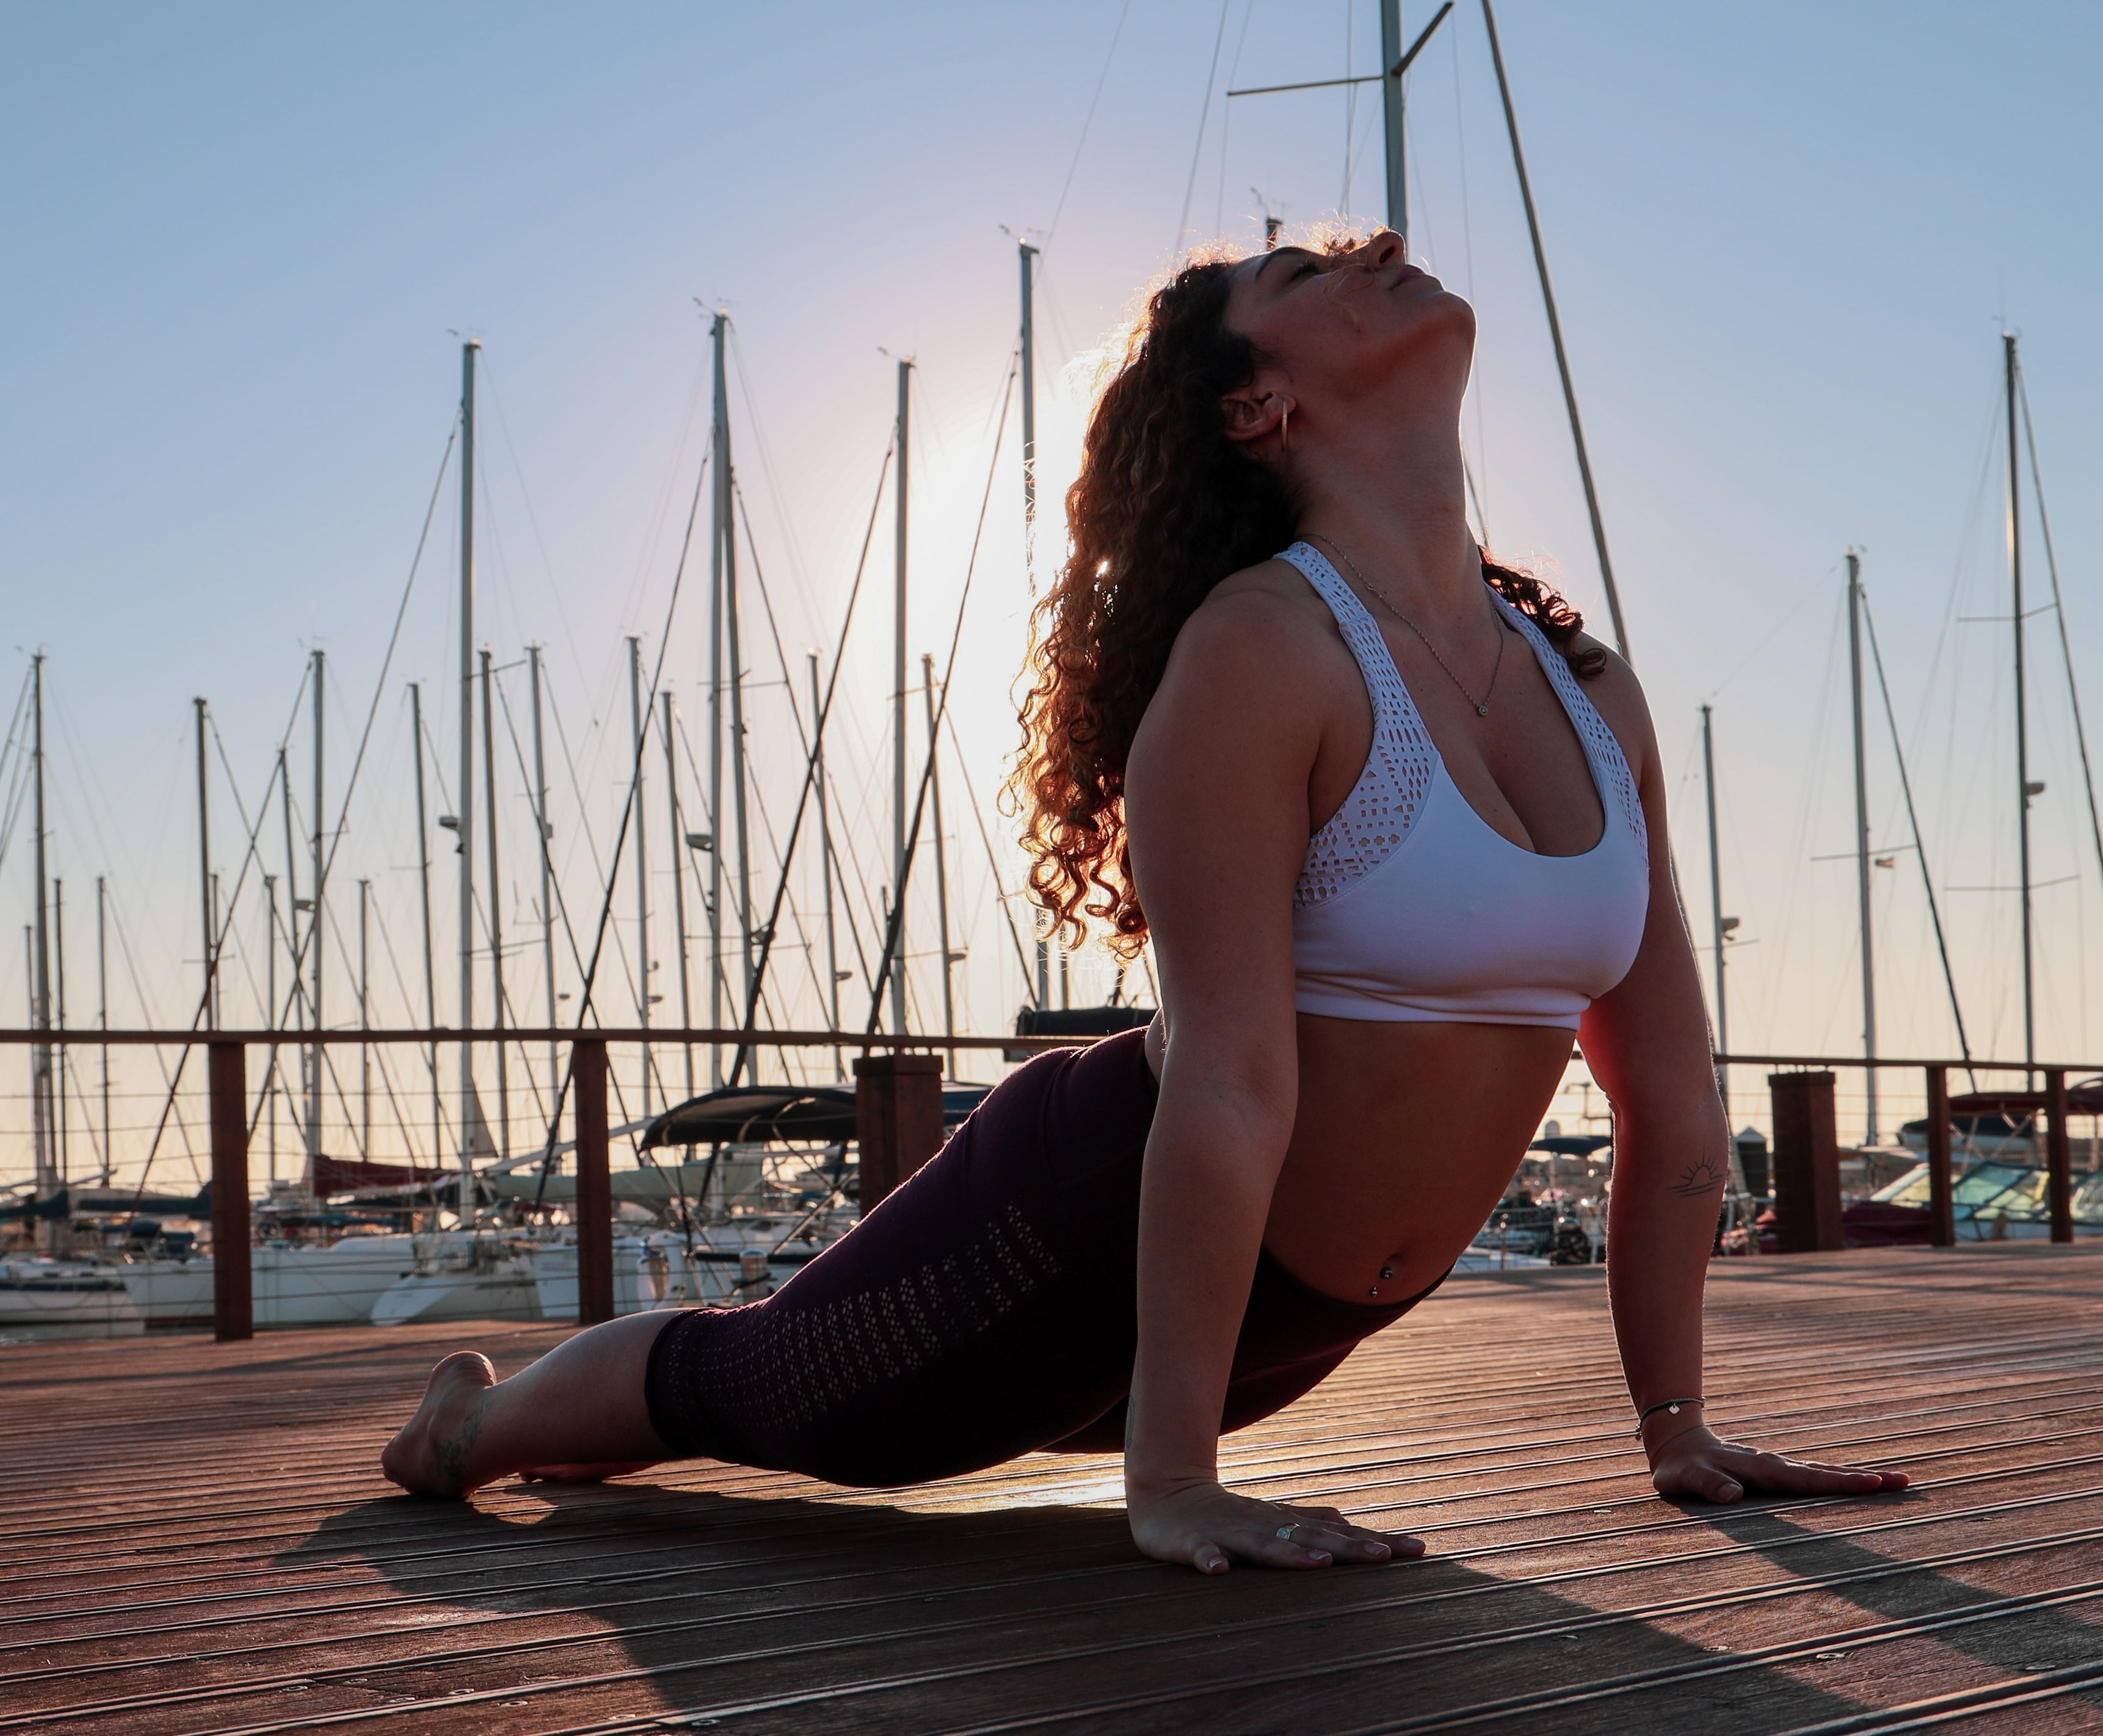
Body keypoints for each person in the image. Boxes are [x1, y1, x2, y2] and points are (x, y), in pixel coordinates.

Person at [382, 228, 1909, 1572]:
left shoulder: (1589, 695)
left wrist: (1675, 1425)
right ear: (1258, 405)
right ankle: (474, 1425)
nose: (1372, 245)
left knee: (865, 1413)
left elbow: (1674, 1105)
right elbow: (1233, 1081)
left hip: (1294, 1322)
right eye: (1302, 272)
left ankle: (538, 1424)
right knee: (767, 1396)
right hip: (1080, 1223)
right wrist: (1172, 1482)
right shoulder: (1263, 654)